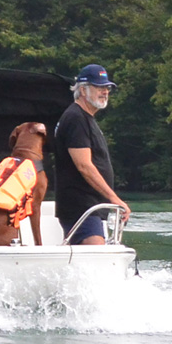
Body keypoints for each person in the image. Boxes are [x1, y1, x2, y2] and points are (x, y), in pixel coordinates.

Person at [54, 64, 131, 245]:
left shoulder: (85, 118)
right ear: (82, 90)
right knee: (96, 257)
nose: (105, 92)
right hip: (80, 207)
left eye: (107, 88)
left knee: (93, 257)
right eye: (99, 87)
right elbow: (84, 166)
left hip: (90, 207)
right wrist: (114, 198)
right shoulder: (76, 118)